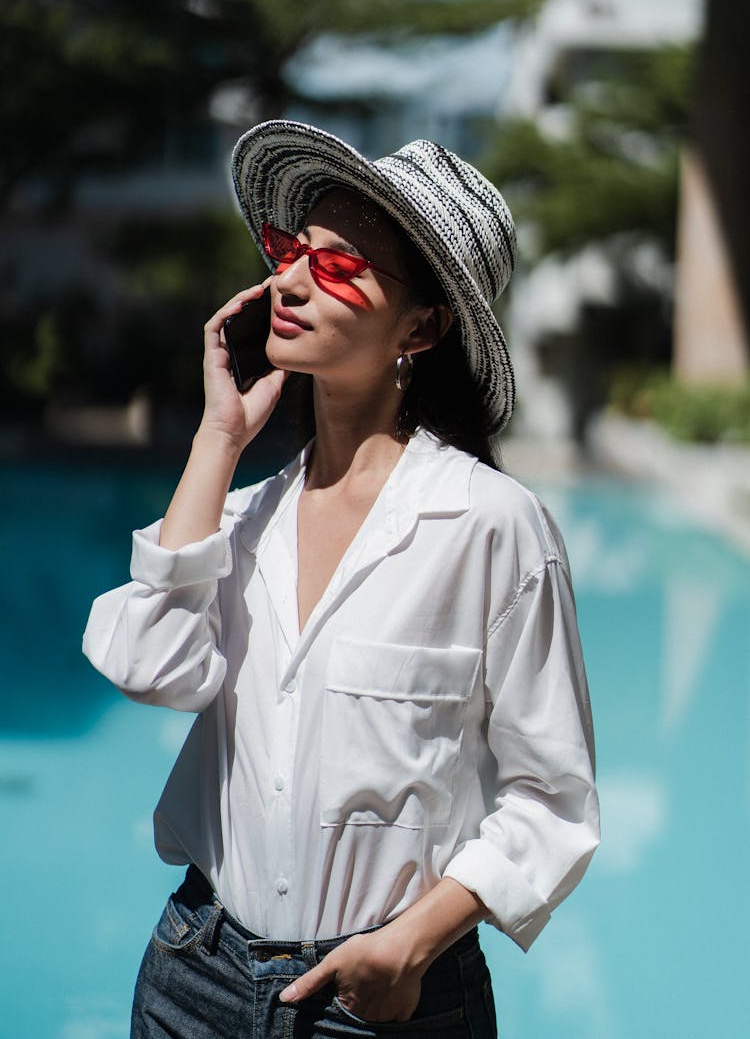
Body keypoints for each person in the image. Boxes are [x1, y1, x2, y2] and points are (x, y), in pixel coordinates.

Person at [83, 121, 599, 1038]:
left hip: (385, 999)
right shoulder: (239, 519)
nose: (286, 281)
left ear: (425, 324)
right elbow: (153, 667)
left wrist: (408, 944)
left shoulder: (491, 525)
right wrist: (219, 438)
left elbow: (551, 797)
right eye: (290, 252)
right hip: (192, 976)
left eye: (337, 265)